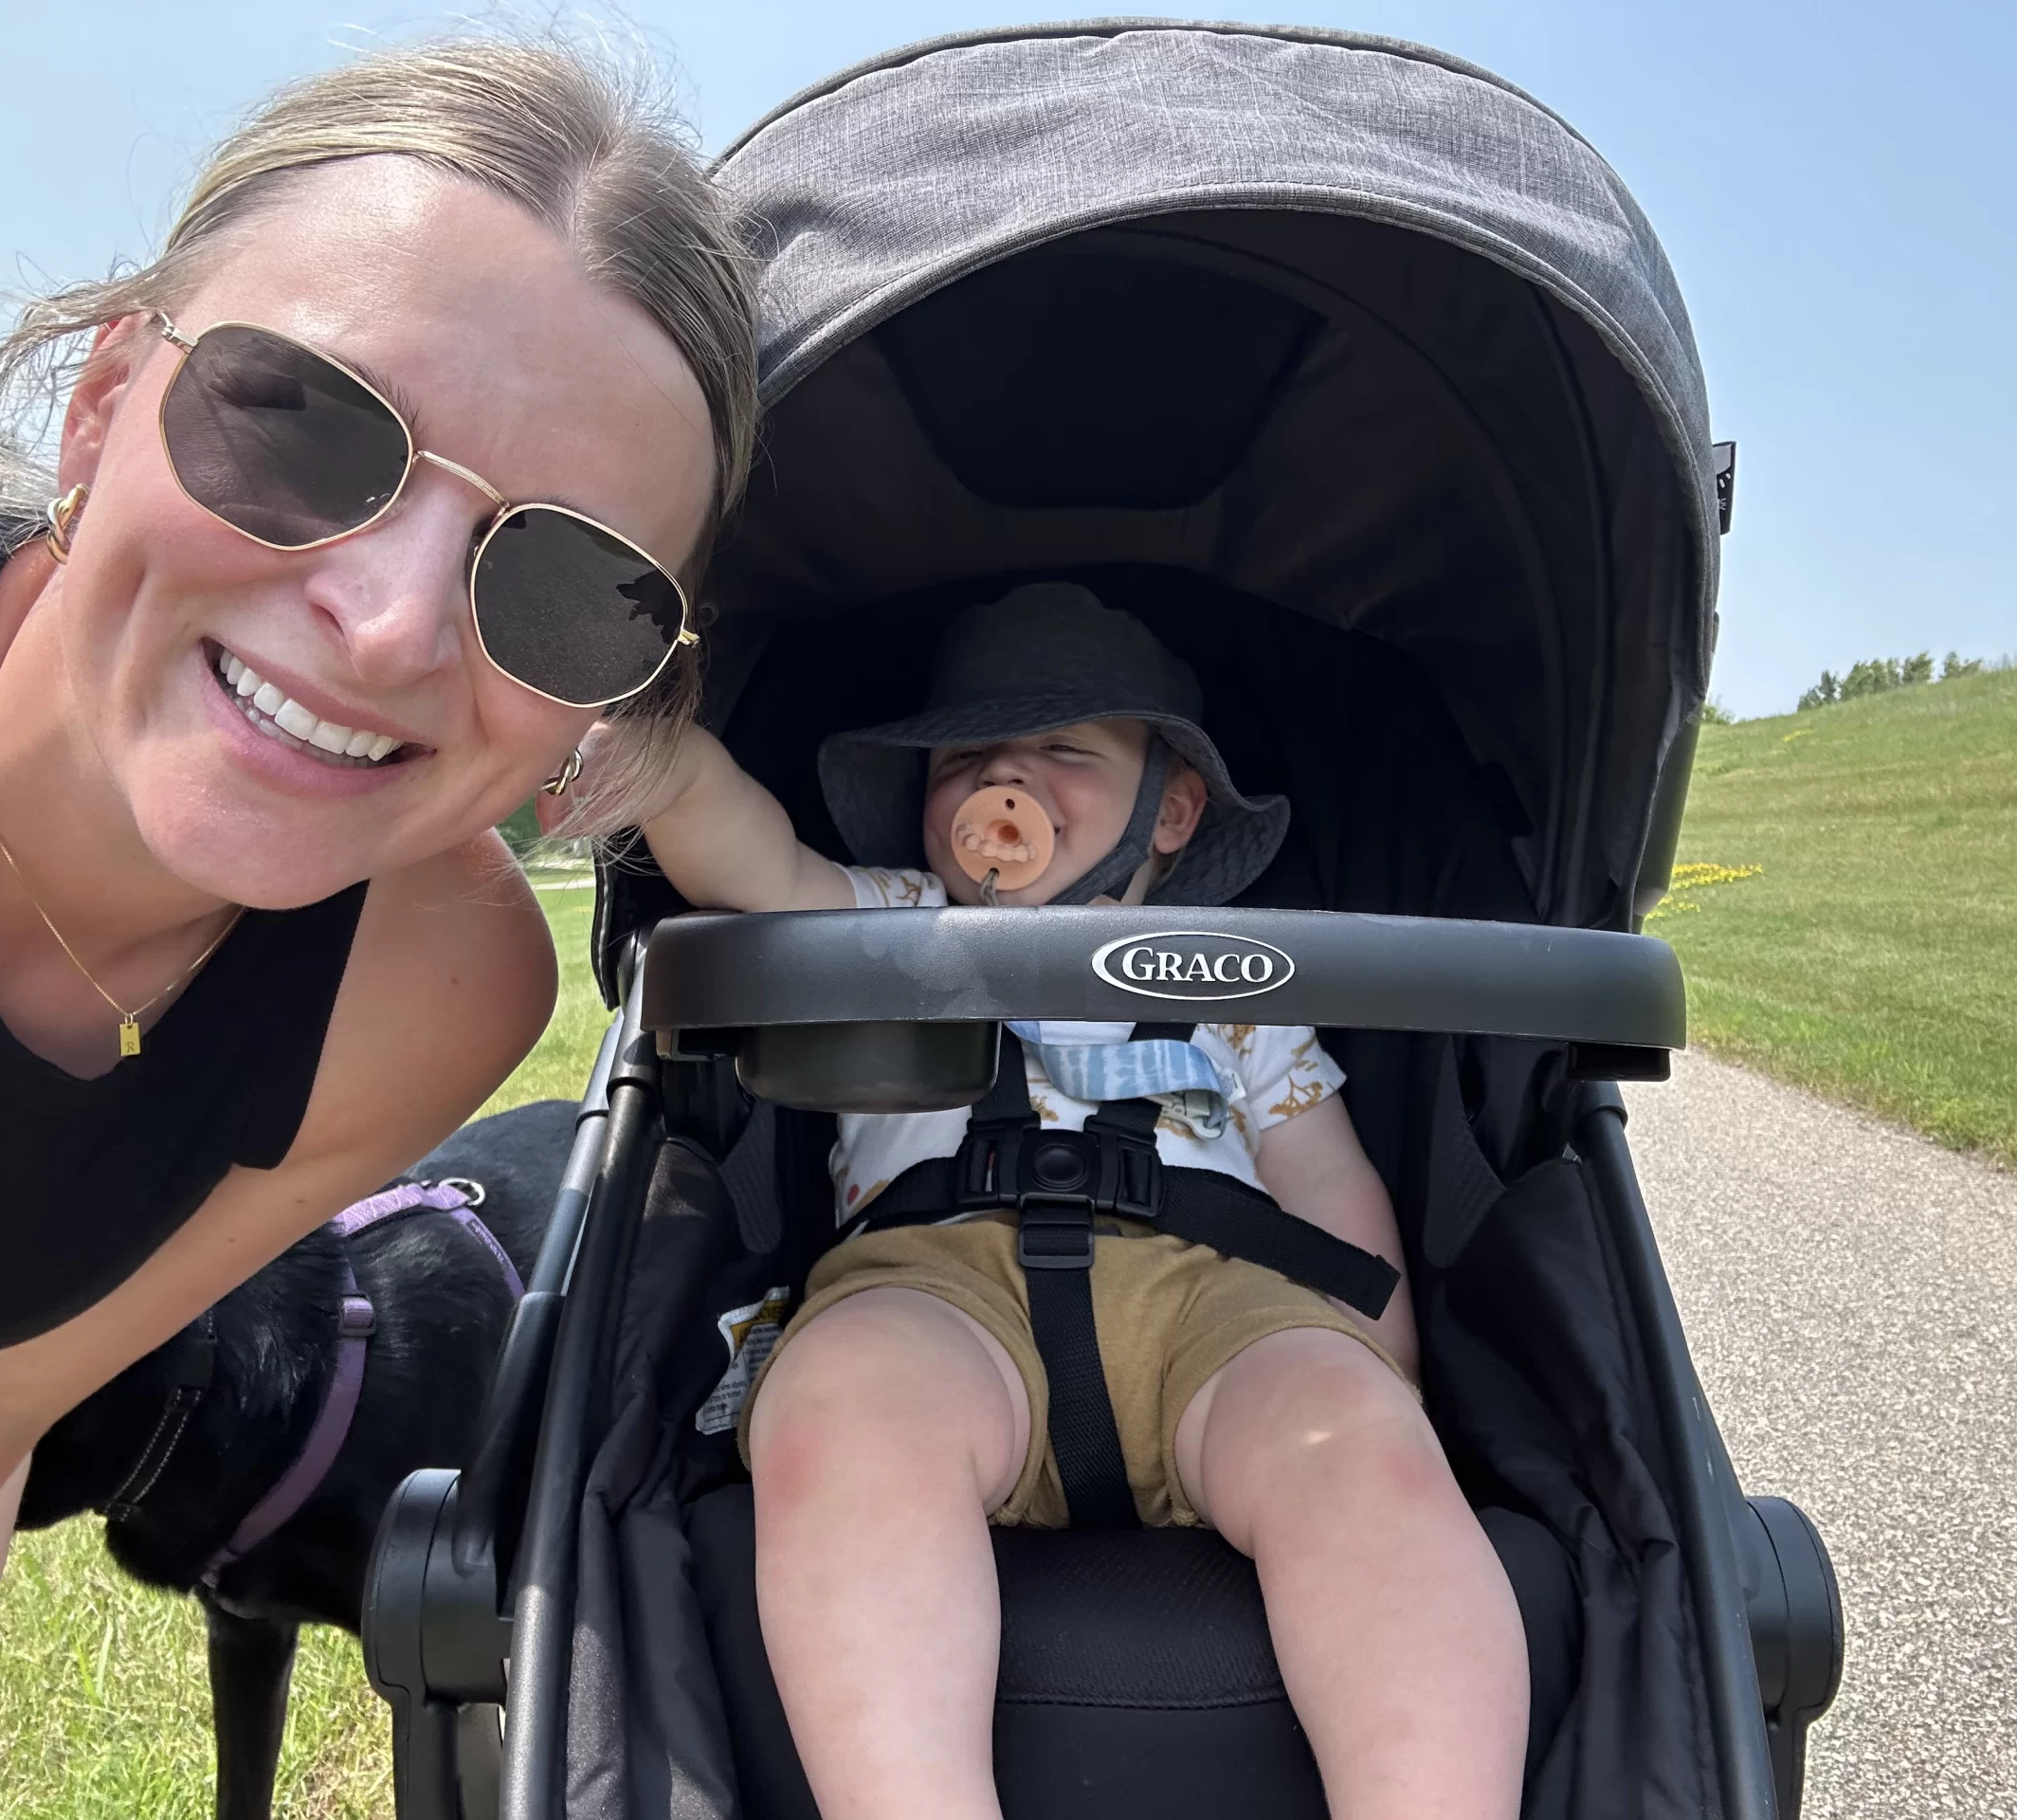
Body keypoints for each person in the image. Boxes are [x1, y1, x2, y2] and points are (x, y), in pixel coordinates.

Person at [0, 37, 756, 1807]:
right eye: (303, 426)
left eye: (566, 588)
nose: (391, 624)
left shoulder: (430, 990)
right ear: (105, 400)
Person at [609, 584, 1531, 1820]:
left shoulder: (1234, 975)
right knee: (840, 1413)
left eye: (1063, 750)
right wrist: (666, 764)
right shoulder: (892, 923)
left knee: (1358, 1446)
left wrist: (1380, 1371)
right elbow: (757, 863)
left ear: (1174, 810)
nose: (1007, 782)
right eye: (967, 760)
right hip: (937, 1288)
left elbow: (1325, 1177)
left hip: (1216, 1300)